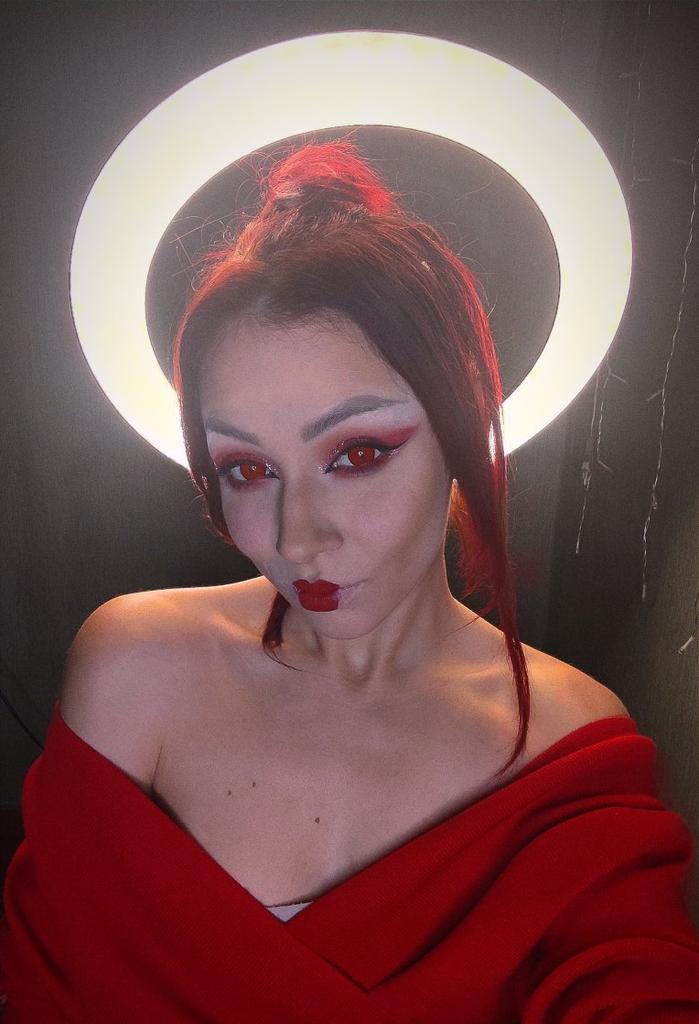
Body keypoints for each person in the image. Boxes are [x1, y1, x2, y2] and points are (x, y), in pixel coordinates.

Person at [0, 138, 698, 1022]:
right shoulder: (133, 666)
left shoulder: (566, 742)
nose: (299, 538)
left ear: (461, 421)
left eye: (358, 453)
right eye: (247, 469)